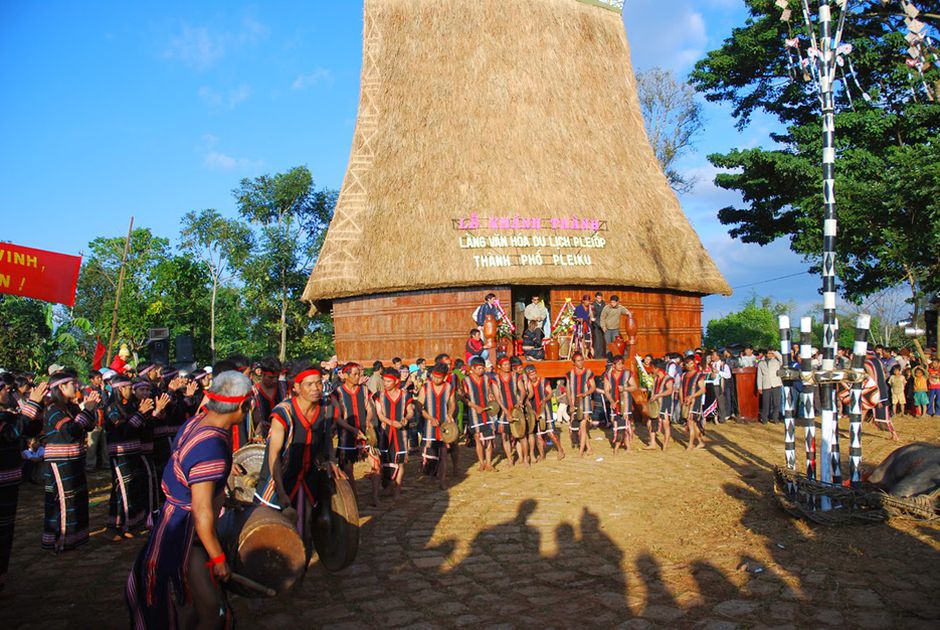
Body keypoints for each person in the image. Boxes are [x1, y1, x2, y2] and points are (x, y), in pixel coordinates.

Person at [126, 371, 252, 629]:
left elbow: (187, 478)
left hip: (182, 526)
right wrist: (218, 559)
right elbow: (201, 510)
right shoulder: (211, 447)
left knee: (197, 609)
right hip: (185, 535)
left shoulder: (198, 422)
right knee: (209, 613)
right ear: (242, 406)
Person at [254, 364, 343, 558]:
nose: (315, 389)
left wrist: (330, 460)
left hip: (306, 475)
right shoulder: (283, 413)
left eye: (319, 383)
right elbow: (274, 455)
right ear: (295, 387)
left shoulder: (326, 410)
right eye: (309, 384)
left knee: (305, 523)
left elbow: (327, 439)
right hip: (280, 476)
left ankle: (300, 563)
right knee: (271, 529)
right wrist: (280, 489)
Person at [42, 370, 101, 552]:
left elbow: (88, 426)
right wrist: (87, 411)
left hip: (75, 459)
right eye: (72, 384)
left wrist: (89, 410)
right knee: (64, 500)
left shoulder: (72, 407)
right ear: (61, 387)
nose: (76, 387)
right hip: (60, 461)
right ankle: (61, 540)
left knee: (77, 498)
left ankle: (76, 537)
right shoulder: (53, 410)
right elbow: (70, 432)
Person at [1, 374, 45, 591]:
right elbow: (12, 433)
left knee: (6, 529)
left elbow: (30, 429)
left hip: (9, 482)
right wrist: (33, 403)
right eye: (4, 389)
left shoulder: (7, 414)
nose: (7, 393)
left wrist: (38, 405)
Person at [104, 376, 148, 541]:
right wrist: (140, 414)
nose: (132, 390)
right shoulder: (111, 408)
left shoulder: (131, 405)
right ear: (120, 389)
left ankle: (127, 525)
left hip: (133, 452)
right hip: (119, 453)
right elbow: (123, 431)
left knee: (131, 489)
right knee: (120, 489)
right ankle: (113, 527)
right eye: (129, 387)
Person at [333, 362, 380, 506]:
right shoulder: (337, 393)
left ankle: (375, 496)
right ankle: (354, 499)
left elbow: (370, 408)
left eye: (359, 374)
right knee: (347, 469)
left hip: (366, 434)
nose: (358, 377)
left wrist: (368, 419)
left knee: (376, 464)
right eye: (355, 374)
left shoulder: (364, 390)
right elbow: (337, 417)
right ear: (345, 375)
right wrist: (352, 429)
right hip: (347, 436)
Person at [374, 369, 412, 498]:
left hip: (401, 433)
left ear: (396, 381)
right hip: (386, 433)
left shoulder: (405, 395)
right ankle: (388, 485)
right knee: (385, 461)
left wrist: (406, 418)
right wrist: (391, 422)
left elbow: (410, 410)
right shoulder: (379, 395)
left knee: (400, 462)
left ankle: (397, 489)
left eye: (388, 381)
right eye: (384, 380)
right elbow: (379, 415)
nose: (385, 383)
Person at [417, 363, 455, 488]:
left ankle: (442, 480)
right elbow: (419, 405)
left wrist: (450, 414)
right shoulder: (425, 387)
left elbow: (452, 403)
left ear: (444, 377)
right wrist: (429, 417)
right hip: (429, 426)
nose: (435, 379)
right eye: (433, 376)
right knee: (429, 454)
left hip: (444, 426)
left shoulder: (449, 387)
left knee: (444, 454)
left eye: (438, 378)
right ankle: (429, 475)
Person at [463, 357, 498, 471]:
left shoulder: (486, 378)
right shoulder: (466, 380)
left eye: (483, 368)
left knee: (489, 438)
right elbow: (463, 398)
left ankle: (489, 463)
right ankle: (481, 462)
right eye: (479, 368)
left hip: (487, 411)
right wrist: (474, 406)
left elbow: (489, 391)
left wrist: (491, 395)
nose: (481, 370)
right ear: (472, 368)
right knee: (477, 438)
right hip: (474, 413)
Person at [525, 365, 565, 461]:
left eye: (534, 374)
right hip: (536, 411)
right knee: (538, 434)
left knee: (550, 433)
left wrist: (544, 399)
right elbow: (528, 401)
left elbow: (550, 393)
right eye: (531, 375)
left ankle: (560, 450)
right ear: (528, 376)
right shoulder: (527, 384)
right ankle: (542, 455)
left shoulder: (543, 381)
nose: (533, 376)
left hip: (546, 410)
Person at [250, 356, 289, 440]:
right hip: (261, 437)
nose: (275, 380)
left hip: (283, 435)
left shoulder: (285, 387)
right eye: (271, 378)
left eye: (277, 377)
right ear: (262, 374)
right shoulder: (253, 392)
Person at [604, 356, 636, 453]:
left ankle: (619, 447)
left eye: (622, 363)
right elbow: (606, 391)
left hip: (625, 403)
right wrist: (611, 401)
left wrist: (625, 389)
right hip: (615, 404)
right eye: (619, 364)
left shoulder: (627, 374)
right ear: (613, 365)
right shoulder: (608, 376)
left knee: (623, 425)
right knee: (618, 425)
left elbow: (634, 387)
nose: (621, 366)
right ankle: (626, 446)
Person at [566, 352, 596, 457]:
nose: (581, 362)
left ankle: (581, 452)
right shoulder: (570, 374)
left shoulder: (588, 372)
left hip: (585, 403)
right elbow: (568, 390)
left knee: (582, 427)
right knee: (580, 428)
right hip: (574, 403)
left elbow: (593, 387)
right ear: (573, 362)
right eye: (578, 360)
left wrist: (585, 394)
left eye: (582, 360)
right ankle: (589, 449)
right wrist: (570, 404)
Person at [865, 353, 899, 441]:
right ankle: (854, 431)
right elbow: (886, 374)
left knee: (884, 416)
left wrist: (877, 394)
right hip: (881, 390)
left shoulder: (867, 363)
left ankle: (894, 434)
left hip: (875, 392)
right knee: (862, 411)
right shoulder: (879, 361)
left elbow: (871, 378)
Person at [679, 356, 707, 451]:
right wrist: (682, 400)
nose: (689, 365)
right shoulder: (683, 375)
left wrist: (692, 396)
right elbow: (681, 389)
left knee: (690, 423)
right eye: (687, 363)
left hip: (695, 402)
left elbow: (703, 389)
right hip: (686, 402)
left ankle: (690, 444)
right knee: (693, 424)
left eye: (691, 363)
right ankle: (700, 442)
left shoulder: (699, 375)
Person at [84, 369, 108, 470]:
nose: (100, 380)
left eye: (100, 377)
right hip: (94, 419)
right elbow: (95, 404)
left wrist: (102, 390)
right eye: (98, 378)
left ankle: (106, 464)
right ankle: (90, 465)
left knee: (105, 444)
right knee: (92, 445)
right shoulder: (88, 390)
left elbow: (105, 403)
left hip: (103, 419)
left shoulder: (104, 390)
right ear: (92, 380)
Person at [648, 360, 674, 450]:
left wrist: (658, 395)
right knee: (651, 423)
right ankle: (653, 443)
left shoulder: (668, 378)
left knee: (665, 424)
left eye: (652, 368)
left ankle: (665, 444)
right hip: (656, 403)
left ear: (656, 368)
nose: (651, 370)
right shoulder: (656, 378)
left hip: (664, 403)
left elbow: (670, 390)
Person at [756, 350, 783, 424]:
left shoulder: (776, 361)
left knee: (776, 403)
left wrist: (775, 352)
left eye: (771, 353)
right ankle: (764, 418)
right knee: (765, 403)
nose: (770, 355)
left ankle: (775, 418)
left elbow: (781, 358)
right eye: (768, 353)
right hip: (766, 385)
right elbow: (759, 376)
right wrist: (760, 387)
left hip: (776, 384)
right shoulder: (761, 363)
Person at [590, 293, 606, 359]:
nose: (599, 299)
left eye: (600, 298)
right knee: (597, 341)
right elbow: (592, 316)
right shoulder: (593, 305)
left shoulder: (604, 304)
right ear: (596, 298)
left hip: (603, 324)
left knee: (602, 341)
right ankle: (597, 356)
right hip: (596, 325)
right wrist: (597, 322)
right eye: (598, 298)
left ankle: (602, 355)